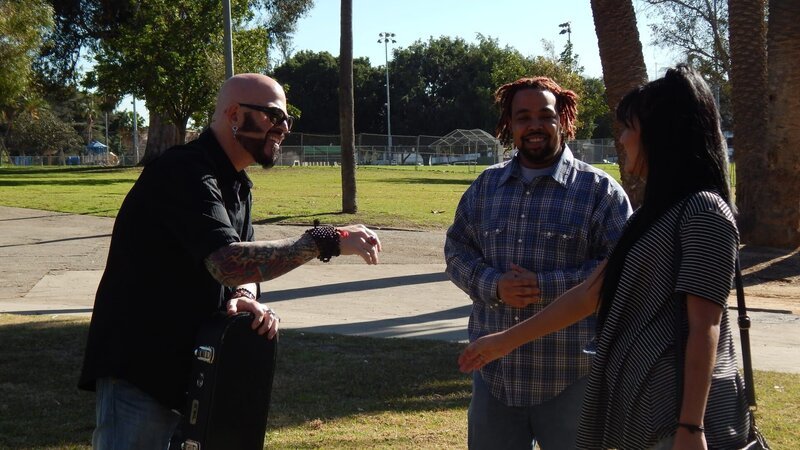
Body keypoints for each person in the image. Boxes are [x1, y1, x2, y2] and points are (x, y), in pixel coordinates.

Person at [78, 73, 383, 449]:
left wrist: (243, 294)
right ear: (235, 114)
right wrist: (326, 240)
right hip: (141, 369)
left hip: (193, 369)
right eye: (273, 116)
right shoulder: (184, 171)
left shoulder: (237, 185)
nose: (283, 128)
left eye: (288, 119)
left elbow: (243, 269)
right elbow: (229, 261)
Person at [458, 65, 751, 450]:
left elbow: (704, 329)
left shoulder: (703, 212)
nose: (622, 139)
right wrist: (504, 342)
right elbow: (589, 295)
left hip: (688, 425)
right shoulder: (652, 217)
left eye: (629, 127)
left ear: (660, 136)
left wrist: (691, 428)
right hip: (650, 419)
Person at [445, 76, 632, 449]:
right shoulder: (485, 187)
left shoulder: (599, 191)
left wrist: (543, 287)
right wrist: (494, 285)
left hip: (571, 377)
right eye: (522, 117)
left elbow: (623, 270)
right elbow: (456, 251)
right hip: (495, 378)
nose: (533, 126)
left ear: (562, 120)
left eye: (545, 116)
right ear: (509, 125)